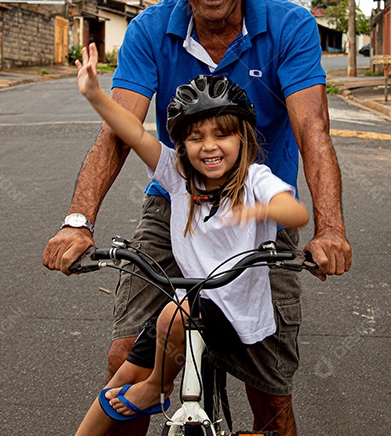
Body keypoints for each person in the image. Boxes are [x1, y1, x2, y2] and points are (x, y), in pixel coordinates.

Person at [44, 0, 352, 436]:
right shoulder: (149, 29)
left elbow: (313, 132)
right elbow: (121, 133)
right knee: (125, 357)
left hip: (256, 214)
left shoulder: (290, 26)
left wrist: (329, 230)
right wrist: (77, 221)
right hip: (176, 206)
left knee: (271, 395)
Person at [72, 51, 309, 435]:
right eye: (195, 137)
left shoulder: (255, 180)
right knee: (116, 384)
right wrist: (94, 95)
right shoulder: (178, 176)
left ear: (243, 136)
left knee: (172, 314)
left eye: (222, 134)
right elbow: (132, 132)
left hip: (235, 316)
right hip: (185, 311)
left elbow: (296, 213)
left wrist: (259, 212)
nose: (209, 146)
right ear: (181, 145)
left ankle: (156, 388)